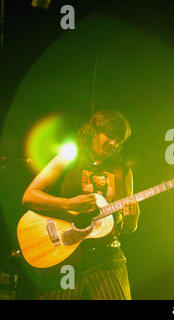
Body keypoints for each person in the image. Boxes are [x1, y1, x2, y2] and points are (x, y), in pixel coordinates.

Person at [22, 110, 140, 300]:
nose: (113, 143)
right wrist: (67, 203)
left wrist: (131, 222)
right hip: (64, 254)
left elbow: (124, 227)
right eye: (110, 136)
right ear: (94, 132)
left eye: (118, 140)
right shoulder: (68, 159)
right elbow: (29, 196)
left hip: (105, 256)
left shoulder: (123, 171)